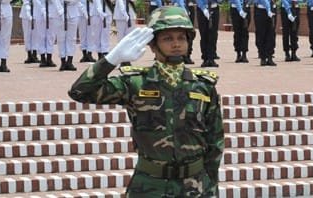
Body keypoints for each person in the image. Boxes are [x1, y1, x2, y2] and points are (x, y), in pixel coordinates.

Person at [68, 6, 224, 197]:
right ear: (152, 44)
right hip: (149, 186)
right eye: (168, 38)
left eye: (181, 38)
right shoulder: (136, 83)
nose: (176, 44)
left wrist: (211, 186)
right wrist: (111, 60)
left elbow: (215, 142)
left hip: (195, 185)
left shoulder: (203, 86)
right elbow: (80, 91)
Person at [33, 0, 62, 68]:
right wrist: (43, 9)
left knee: (51, 36)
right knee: (41, 36)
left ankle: (49, 57)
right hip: (39, 11)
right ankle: (42, 58)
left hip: (52, 10)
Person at [196, 0, 221, 67]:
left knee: (213, 35)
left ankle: (211, 58)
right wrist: (204, 9)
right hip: (202, 10)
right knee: (204, 35)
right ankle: (205, 58)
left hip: (214, 8)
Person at [58, 0, 80, 71]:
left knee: (72, 38)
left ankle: (70, 61)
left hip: (73, 11)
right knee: (61, 38)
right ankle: (63, 61)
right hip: (59, 12)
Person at [254, 0, 277, 66]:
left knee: (271, 35)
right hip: (261, 11)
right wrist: (268, 9)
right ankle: (263, 58)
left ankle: (270, 57)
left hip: (272, 10)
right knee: (261, 35)